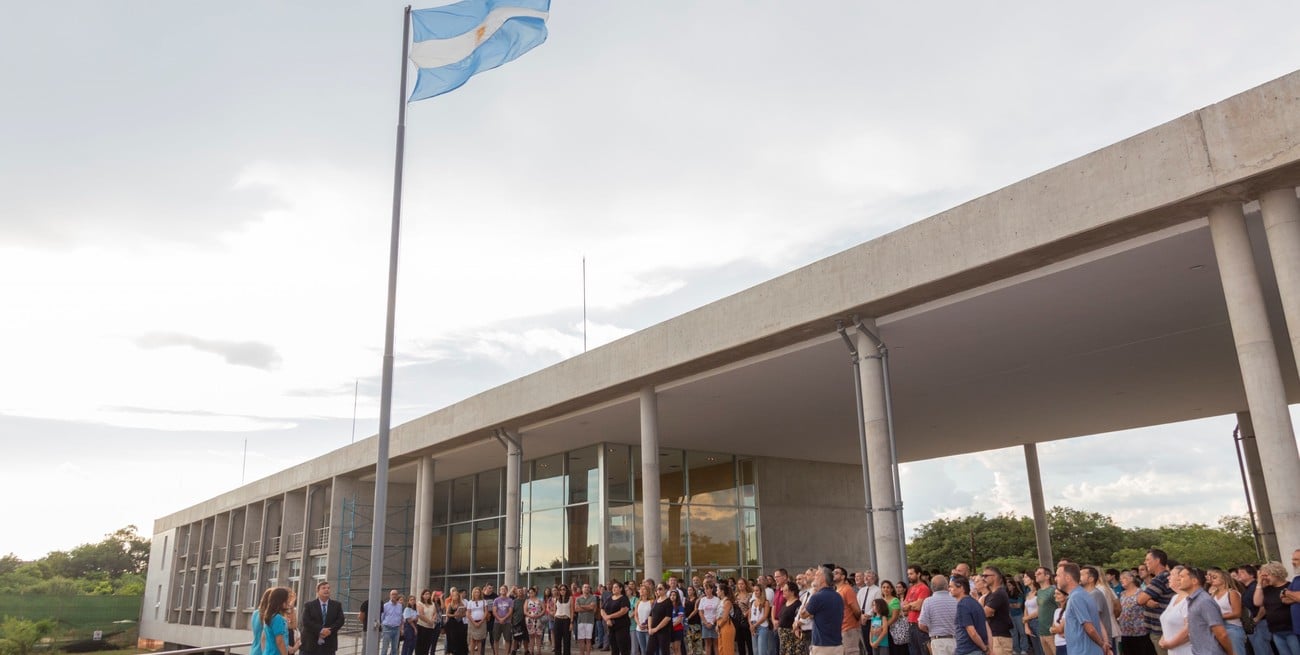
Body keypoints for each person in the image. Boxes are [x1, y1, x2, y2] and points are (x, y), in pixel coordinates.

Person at [1056, 564, 1108, 655]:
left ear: (1068, 578)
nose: (1056, 579)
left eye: (1058, 575)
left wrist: (1102, 644)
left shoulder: (1076, 597)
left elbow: (1089, 628)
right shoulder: (1080, 594)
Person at [1180, 567, 1232, 655]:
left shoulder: (1204, 601)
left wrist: (1232, 653)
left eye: (1182, 576)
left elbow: (1221, 633)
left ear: (1194, 581)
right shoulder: (1193, 600)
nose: (1179, 579)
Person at [800, 565, 845, 655]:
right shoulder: (838, 596)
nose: (814, 578)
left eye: (816, 575)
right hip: (837, 644)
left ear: (823, 578)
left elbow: (803, 614)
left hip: (822, 646)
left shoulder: (817, 597)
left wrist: (812, 593)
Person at [1256, 560, 1298, 655]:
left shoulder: (1290, 586)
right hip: (1276, 631)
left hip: (1291, 629)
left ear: (1276, 573)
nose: (1265, 578)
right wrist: (1259, 583)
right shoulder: (1267, 589)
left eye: (1267, 575)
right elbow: (1257, 602)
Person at [1137, 550, 1174, 655]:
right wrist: (1147, 600)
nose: (1145, 562)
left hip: (1160, 630)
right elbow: (1142, 598)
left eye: (1148, 559)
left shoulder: (1161, 578)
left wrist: (1145, 600)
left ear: (1157, 561)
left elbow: (1140, 600)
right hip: (1160, 629)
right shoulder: (1161, 577)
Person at [1206, 567, 1246, 655]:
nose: (1212, 579)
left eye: (1215, 577)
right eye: (1211, 577)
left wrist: (1219, 616)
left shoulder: (1232, 593)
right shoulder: (1213, 594)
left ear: (1224, 578)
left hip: (1232, 626)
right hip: (1219, 627)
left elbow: (1237, 613)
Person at [301, 581, 346, 655]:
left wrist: (329, 630)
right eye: (323, 588)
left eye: (328, 588)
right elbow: (306, 621)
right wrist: (321, 630)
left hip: (329, 644)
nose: (326, 590)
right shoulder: (309, 605)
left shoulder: (336, 605)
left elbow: (340, 620)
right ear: (317, 591)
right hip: (311, 643)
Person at [919, 576, 957, 655]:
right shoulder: (955, 599)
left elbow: (922, 625)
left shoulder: (928, 601)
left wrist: (931, 630)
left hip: (938, 641)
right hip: (955, 640)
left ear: (931, 587)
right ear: (947, 586)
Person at [1116, 571, 1151, 655]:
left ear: (1131, 579)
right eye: (1120, 579)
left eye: (1124, 578)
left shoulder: (1141, 592)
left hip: (1139, 632)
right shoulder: (1122, 594)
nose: (1121, 580)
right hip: (1125, 632)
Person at [951, 576, 989, 655]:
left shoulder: (962, 605)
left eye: (951, 586)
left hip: (967, 649)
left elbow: (972, 632)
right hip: (978, 649)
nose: (949, 589)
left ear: (961, 588)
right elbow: (986, 627)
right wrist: (988, 648)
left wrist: (985, 648)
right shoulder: (976, 603)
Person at [833, 568, 863, 655]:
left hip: (849, 629)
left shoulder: (847, 589)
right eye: (833, 572)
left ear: (843, 577)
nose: (833, 574)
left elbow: (857, 611)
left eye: (836, 573)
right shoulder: (836, 590)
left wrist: (852, 624)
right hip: (840, 629)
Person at [982, 568, 1013, 655]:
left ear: (994, 577)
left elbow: (985, 613)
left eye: (985, 576)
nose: (983, 578)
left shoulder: (998, 594)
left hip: (1000, 637)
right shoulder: (991, 594)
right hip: (994, 635)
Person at [902, 567, 931, 655]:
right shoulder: (911, 588)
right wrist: (912, 605)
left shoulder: (924, 588)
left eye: (911, 574)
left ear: (918, 574)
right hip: (910, 624)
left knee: (923, 651)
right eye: (908, 574)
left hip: (920, 624)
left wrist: (909, 605)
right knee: (913, 651)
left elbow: (918, 606)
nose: (909, 576)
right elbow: (903, 607)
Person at [603, 580, 633, 655]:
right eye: (613, 587)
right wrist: (607, 619)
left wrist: (609, 616)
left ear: (620, 589)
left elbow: (623, 611)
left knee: (623, 648)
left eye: (616, 587)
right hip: (611, 626)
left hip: (622, 626)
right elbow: (602, 609)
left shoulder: (624, 598)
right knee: (614, 648)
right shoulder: (609, 598)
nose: (614, 588)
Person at [1034, 569, 1058, 655]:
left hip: (1052, 632)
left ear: (1047, 576)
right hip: (1042, 631)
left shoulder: (1053, 590)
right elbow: (1040, 610)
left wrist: (1056, 626)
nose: (1036, 575)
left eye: (1039, 573)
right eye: (1035, 573)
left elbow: (1062, 608)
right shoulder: (1039, 591)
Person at [776, 582, 803, 655]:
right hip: (783, 638)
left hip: (792, 638)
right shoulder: (785, 604)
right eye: (783, 590)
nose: (783, 592)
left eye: (785, 590)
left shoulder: (797, 604)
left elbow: (799, 620)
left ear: (792, 592)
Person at [649, 584, 675, 655]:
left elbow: (667, 618)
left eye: (660, 589)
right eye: (657, 589)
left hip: (664, 632)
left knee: (664, 652)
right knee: (649, 651)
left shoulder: (668, 602)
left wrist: (656, 629)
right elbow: (650, 615)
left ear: (665, 590)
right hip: (653, 631)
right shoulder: (656, 601)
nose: (658, 590)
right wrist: (650, 628)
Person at [445, 589, 469, 655]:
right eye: (454, 596)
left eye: (456, 595)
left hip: (459, 623)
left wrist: (460, 614)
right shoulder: (450, 604)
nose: (455, 597)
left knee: (461, 638)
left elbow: (465, 614)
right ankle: (452, 652)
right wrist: (454, 615)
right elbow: (447, 614)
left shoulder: (461, 604)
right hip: (452, 624)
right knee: (453, 639)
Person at [553, 583, 575, 655]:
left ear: (566, 590)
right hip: (558, 620)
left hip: (566, 620)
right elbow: (554, 610)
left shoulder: (570, 598)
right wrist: (554, 620)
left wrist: (571, 623)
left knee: (567, 640)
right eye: (561, 589)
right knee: (557, 640)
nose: (562, 591)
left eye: (564, 589)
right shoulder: (555, 598)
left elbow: (572, 611)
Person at [701, 585, 724, 655]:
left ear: (711, 589)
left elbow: (719, 612)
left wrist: (712, 622)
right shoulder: (703, 599)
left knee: (716, 643)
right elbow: (700, 612)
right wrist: (705, 622)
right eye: (705, 589)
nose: (706, 591)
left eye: (708, 589)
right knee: (707, 644)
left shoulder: (717, 599)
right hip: (705, 624)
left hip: (715, 624)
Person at [752, 582, 773, 655]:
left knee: (762, 650)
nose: (755, 592)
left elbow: (765, 616)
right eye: (754, 590)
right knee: (755, 650)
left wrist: (755, 625)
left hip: (762, 627)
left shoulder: (765, 602)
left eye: (757, 590)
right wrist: (751, 625)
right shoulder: (753, 602)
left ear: (761, 591)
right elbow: (750, 615)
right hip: (753, 626)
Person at [578, 584, 600, 655]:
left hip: (590, 621)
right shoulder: (578, 598)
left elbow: (592, 608)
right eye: (585, 587)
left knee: (588, 639)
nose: (586, 588)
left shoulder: (593, 598)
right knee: (581, 640)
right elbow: (576, 609)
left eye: (588, 587)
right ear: (582, 589)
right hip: (580, 621)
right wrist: (588, 607)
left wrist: (581, 606)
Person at [383, 590, 406, 655]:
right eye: (393, 594)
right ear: (390, 596)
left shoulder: (400, 606)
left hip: (396, 629)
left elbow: (400, 617)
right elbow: (382, 617)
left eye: (395, 594)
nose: (394, 596)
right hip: (387, 628)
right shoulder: (385, 605)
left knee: (395, 648)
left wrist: (401, 628)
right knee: (385, 648)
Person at [494, 587, 516, 655]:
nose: (503, 590)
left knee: (507, 639)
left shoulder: (510, 600)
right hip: (497, 622)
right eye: (501, 589)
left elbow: (510, 611)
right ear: (499, 591)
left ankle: (506, 653)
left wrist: (503, 619)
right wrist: (499, 619)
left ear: (507, 591)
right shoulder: (496, 600)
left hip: (507, 622)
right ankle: (496, 653)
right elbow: (494, 611)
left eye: (504, 589)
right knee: (496, 639)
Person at [718, 584, 737, 655]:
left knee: (727, 649)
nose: (716, 592)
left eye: (718, 590)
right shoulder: (721, 601)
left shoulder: (727, 602)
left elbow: (725, 618)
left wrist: (719, 626)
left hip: (726, 625)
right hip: (720, 625)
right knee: (721, 649)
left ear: (722, 591)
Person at [686, 586, 703, 655]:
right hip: (688, 624)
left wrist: (688, 617)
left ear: (693, 591)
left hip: (696, 623)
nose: (689, 591)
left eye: (690, 590)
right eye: (688, 590)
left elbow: (696, 610)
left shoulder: (697, 600)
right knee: (690, 643)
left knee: (697, 642)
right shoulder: (686, 600)